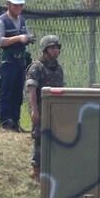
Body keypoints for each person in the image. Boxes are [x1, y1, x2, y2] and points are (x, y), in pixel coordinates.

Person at [0, 0, 33, 131]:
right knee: (6, 92)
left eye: (20, 5)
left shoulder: (22, 20)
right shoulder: (1, 21)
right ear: (8, 4)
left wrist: (28, 38)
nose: (18, 8)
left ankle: (15, 122)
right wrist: (18, 38)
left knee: (17, 92)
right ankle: (5, 123)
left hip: (20, 61)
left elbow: (26, 35)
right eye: (15, 5)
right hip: (7, 62)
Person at [25, 34, 64, 180]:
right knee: (40, 138)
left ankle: (52, 168)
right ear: (45, 50)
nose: (55, 51)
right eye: (52, 48)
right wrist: (34, 110)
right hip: (41, 109)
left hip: (56, 110)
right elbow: (31, 90)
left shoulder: (58, 68)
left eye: (57, 48)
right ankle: (36, 170)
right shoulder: (37, 67)